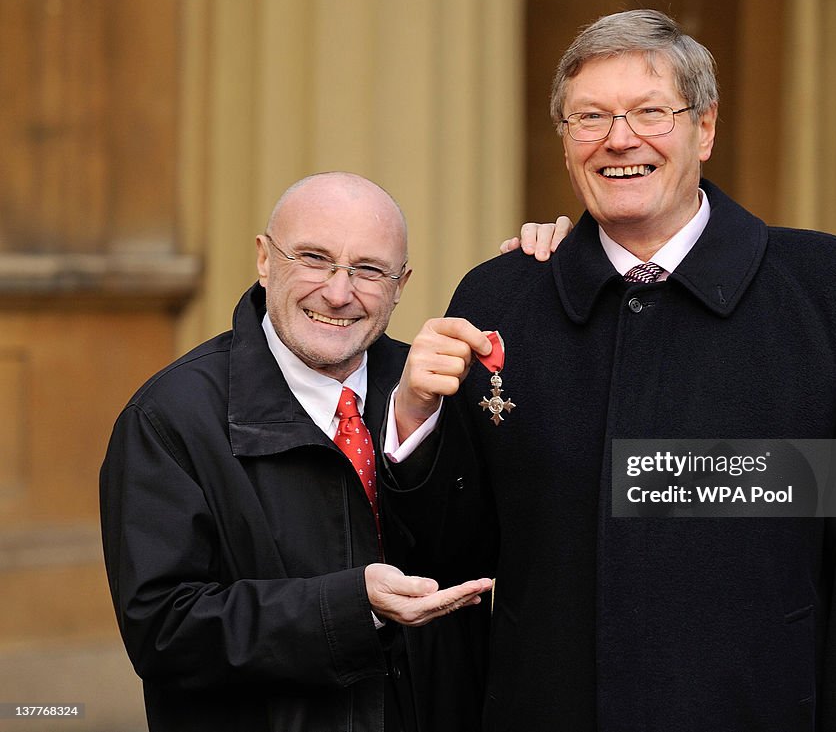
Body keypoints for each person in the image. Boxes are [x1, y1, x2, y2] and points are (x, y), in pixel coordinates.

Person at [386, 10, 836, 731]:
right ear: (564, 143)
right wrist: (411, 420)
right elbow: (450, 560)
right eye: (590, 117)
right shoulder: (499, 299)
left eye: (650, 112)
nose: (620, 139)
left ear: (704, 128)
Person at [99, 171, 568, 732]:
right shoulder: (169, 417)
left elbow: (524, 545)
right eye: (314, 259)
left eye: (369, 269)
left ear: (401, 284)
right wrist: (353, 608)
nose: (339, 292)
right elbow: (163, 631)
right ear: (264, 259)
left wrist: (561, 278)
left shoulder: (441, 391)